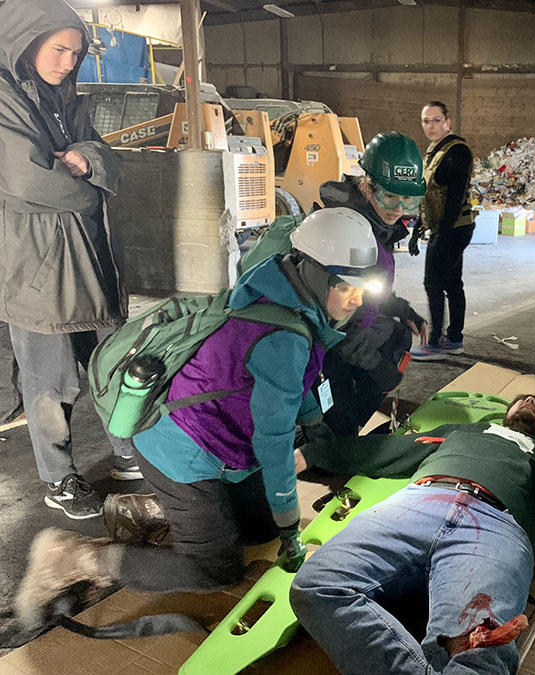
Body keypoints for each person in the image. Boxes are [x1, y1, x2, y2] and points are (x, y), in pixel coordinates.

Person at [14, 208, 384, 631]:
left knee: (258, 528)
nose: (355, 301)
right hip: (178, 447)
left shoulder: (282, 294)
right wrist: (292, 535)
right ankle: (72, 557)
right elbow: (274, 442)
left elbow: (296, 385)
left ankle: (151, 511)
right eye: (344, 287)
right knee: (216, 568)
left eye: (361, 289)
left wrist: (316, 428)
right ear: (317, 276)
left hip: (219, 442)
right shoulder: (283, 336)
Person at [290, 393, 535, 674]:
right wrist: (314, 454)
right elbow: (387, 450)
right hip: (419, 502)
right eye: (523, 399)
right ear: (506, 414)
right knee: (316, 585)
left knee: (479, 654)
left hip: (497, 526)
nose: (530, 400)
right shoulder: (466, 431)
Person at [0, 0, 138, 520]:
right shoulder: (4, 99)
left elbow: (110, 162)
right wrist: (89, 184)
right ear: (25, 41)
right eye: (58, 49)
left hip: (91, 257)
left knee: (114, 363)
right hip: (38, 270)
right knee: (50, 382)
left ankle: (129, 455)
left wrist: (88, 162)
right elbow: (27, 181)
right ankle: (59, 478)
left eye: (75, 54)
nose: (66, 62)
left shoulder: (66, 99)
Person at [317, 132, 428, 434]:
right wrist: (373, 365)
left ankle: (350, 419)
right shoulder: (349, 233)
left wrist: (399, 308)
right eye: (389, 196)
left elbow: (364, 293)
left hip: (347, 331)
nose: (398, 208)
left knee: (398, 337)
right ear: (367, 187)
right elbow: (335, 324)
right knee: (337, 434)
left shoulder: (374, 222)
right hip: (323, 347)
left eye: (408, 198)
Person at [409, 100, 475, 361]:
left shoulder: (457, 151)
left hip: (454, 228)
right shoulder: (434, 151)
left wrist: (442, 236)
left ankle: (436, 342)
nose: (431, 125)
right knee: (451, 283)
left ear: (448, 122)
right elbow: (429, 198)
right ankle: (454, 339)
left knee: (433, 282)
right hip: (446, 228)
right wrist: (417, 231)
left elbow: (455, 197)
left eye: (436, 120)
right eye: (426, 121)